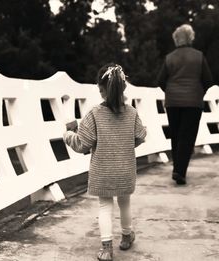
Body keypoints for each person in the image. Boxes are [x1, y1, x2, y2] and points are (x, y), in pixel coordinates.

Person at [63, 63, 146, 261]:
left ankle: (107, 249)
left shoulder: (94, 114)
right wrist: (125, 145)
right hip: (125, 170)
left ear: (101, 90)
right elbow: (141, 136)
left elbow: (83, 144)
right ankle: (126, 237)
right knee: (125, 203)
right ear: (123, 88)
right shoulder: (132, 113)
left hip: (103, 171)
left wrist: (68, 135)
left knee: (105, 207)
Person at [157, 24, 213, 185]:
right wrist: (198, 93)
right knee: (187, 137)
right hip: (193, 103)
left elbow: (160, 81)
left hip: (173, 102)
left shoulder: (169, 57)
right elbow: (208, 80)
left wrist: (171, 92)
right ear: (191, 38)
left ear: (176, 39)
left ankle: (177, 168)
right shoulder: (199, 56)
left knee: (175, 135)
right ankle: (180, 171)